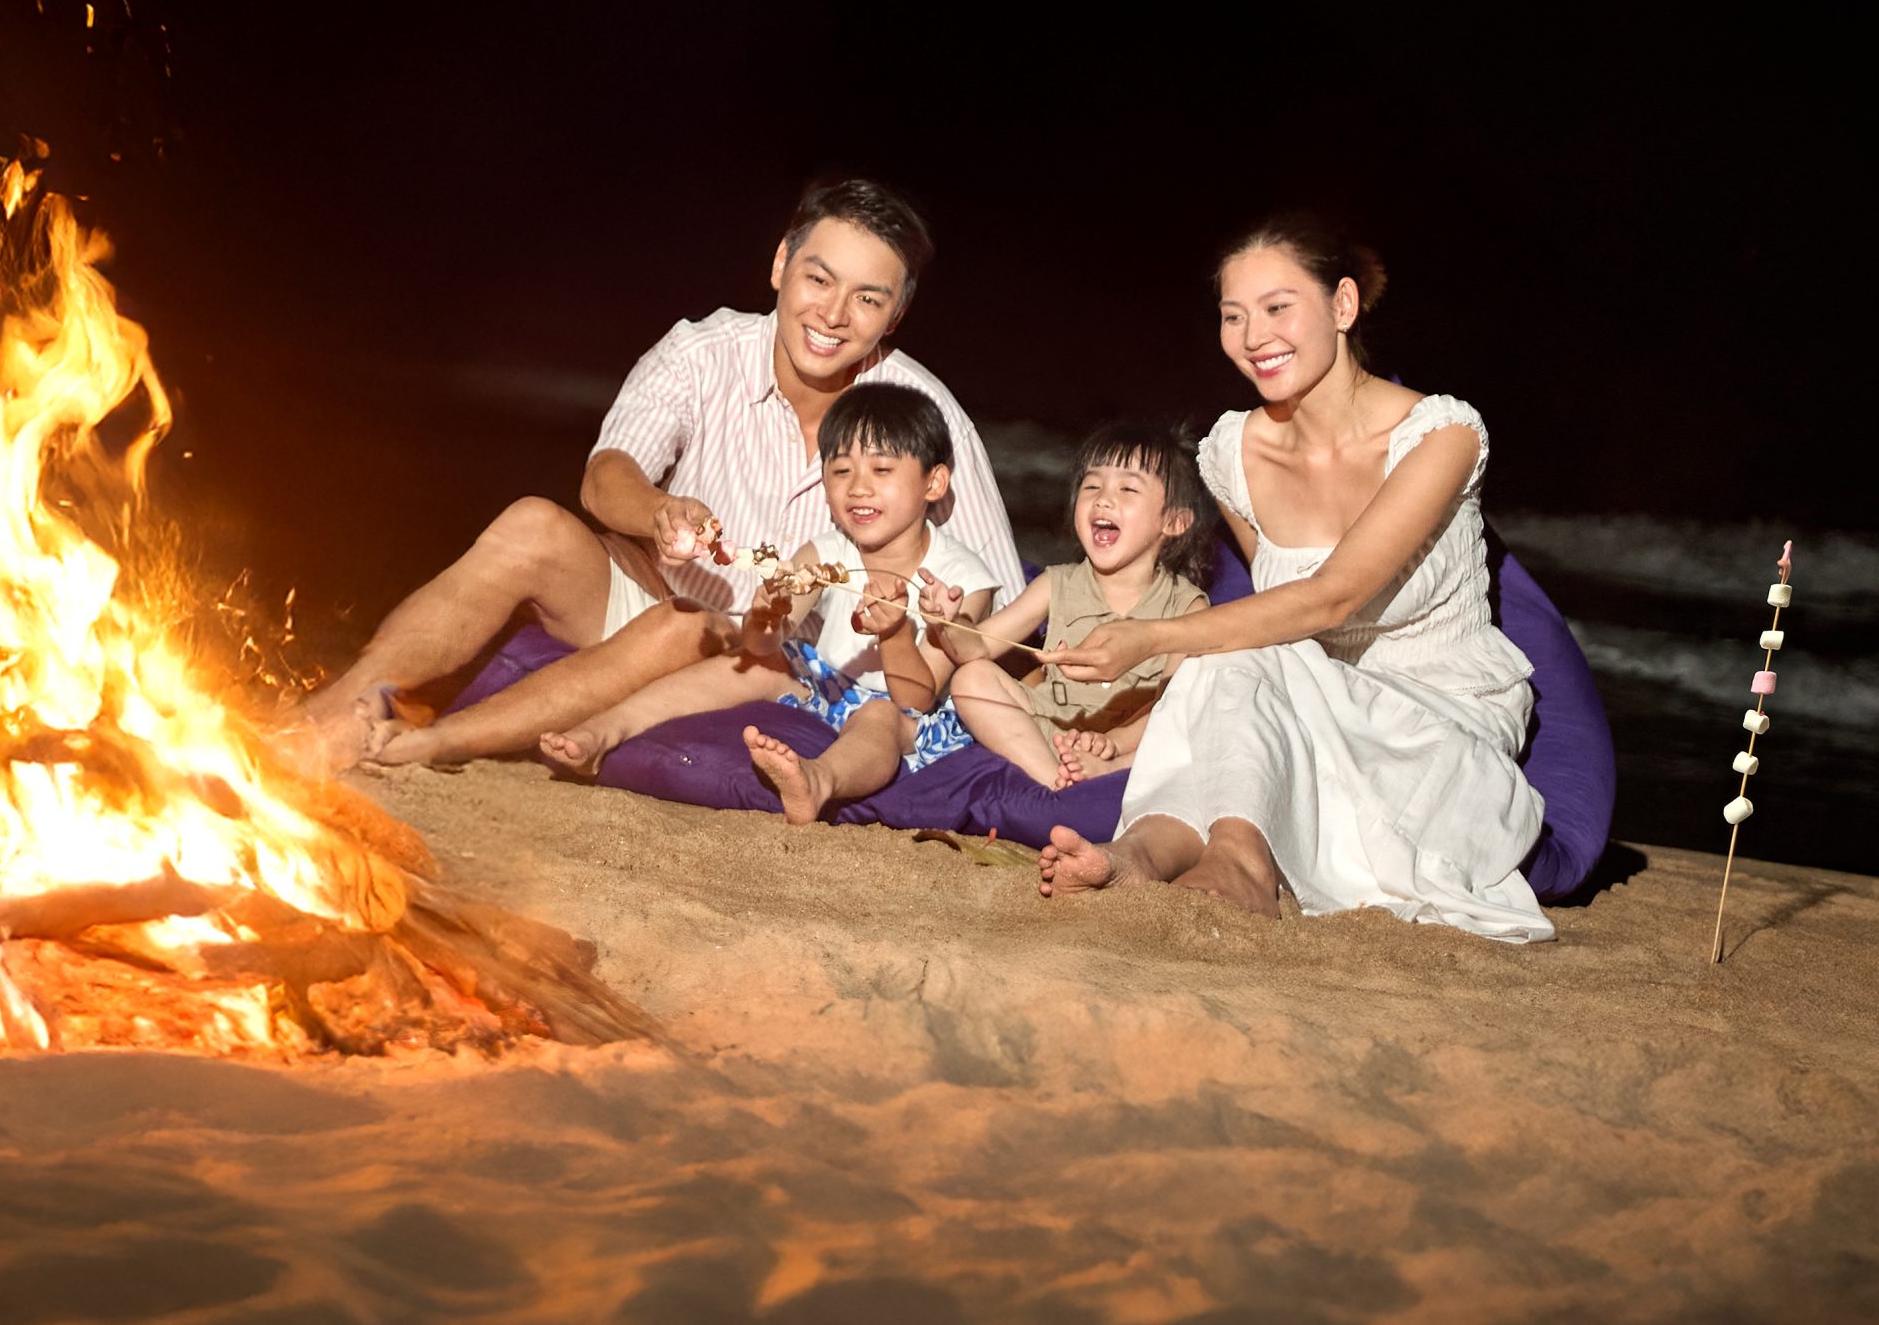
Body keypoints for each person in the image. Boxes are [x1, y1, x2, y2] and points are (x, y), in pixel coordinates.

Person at [286, 175, 1028, 772]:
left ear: (895, 314)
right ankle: (333, 716)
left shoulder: (926, 413)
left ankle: (437, 743)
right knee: (530, 524)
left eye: (867, 298)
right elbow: (605, 476)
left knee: (684, 626)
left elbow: (1000, 601)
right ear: (781, 264)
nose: (833, 314)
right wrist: (658, 511)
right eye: (818, 279)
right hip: (655, 593)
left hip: (786, 664)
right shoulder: (702, 351)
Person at [1034, 216, 1553, 943]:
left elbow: (1329, 597)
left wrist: (1148, 637)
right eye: (1233, 316)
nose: (1254, 337)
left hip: (1438, 723)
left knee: (1237, 650)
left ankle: (1240, 865)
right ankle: (1137, 855)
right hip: (1307, 702)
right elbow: (1278, 612)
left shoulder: (1440, 435)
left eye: (1278, 307)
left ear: (1343, 304)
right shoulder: (1231, 452)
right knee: (1237, 653)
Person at [534, 385, 998, 822]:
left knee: (878, 716)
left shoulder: (962, 579)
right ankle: (606, 730)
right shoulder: (828, 551)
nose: (858, 488)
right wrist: (765, 617)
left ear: (934, 482)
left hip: (901, 717)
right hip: (827, 687)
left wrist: (894, 634)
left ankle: (818, 780)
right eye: (841, 472)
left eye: (881, 471)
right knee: (752, 665)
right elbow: (762, 645)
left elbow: (916, 699)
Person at [916, 420, 1214, 790]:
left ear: (1174, 521)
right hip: (1052, 728)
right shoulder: (1056, 584)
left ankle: (1104, 773)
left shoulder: (1187, 609)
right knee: (970, 679)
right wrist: (947, 623)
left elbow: (1172, 705)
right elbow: (977, 648)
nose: (1103, 499)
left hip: (1133, 743)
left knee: (1192, 719)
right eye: (1092, 486)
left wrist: (1114, 744)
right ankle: (1056, 782)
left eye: (1127, 489)